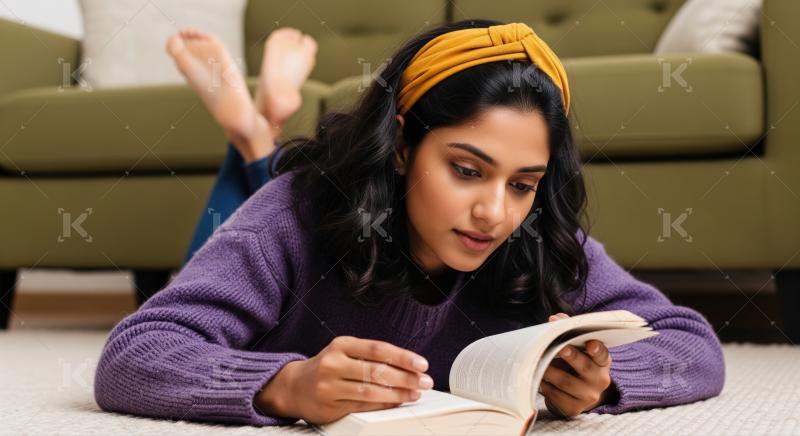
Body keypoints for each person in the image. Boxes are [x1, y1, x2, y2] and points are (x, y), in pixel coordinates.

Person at [94, 20, 725, 427]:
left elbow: (692, 343)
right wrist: (284, 385)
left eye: (523, 183)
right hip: (291, 205)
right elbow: (133, 354)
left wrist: (605, 381)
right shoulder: (292, 217)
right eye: (466, 169)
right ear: (401, 146)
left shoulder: (534, 239)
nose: (495, 212)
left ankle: (259, 133)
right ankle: (253, 137)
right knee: (250, 198)